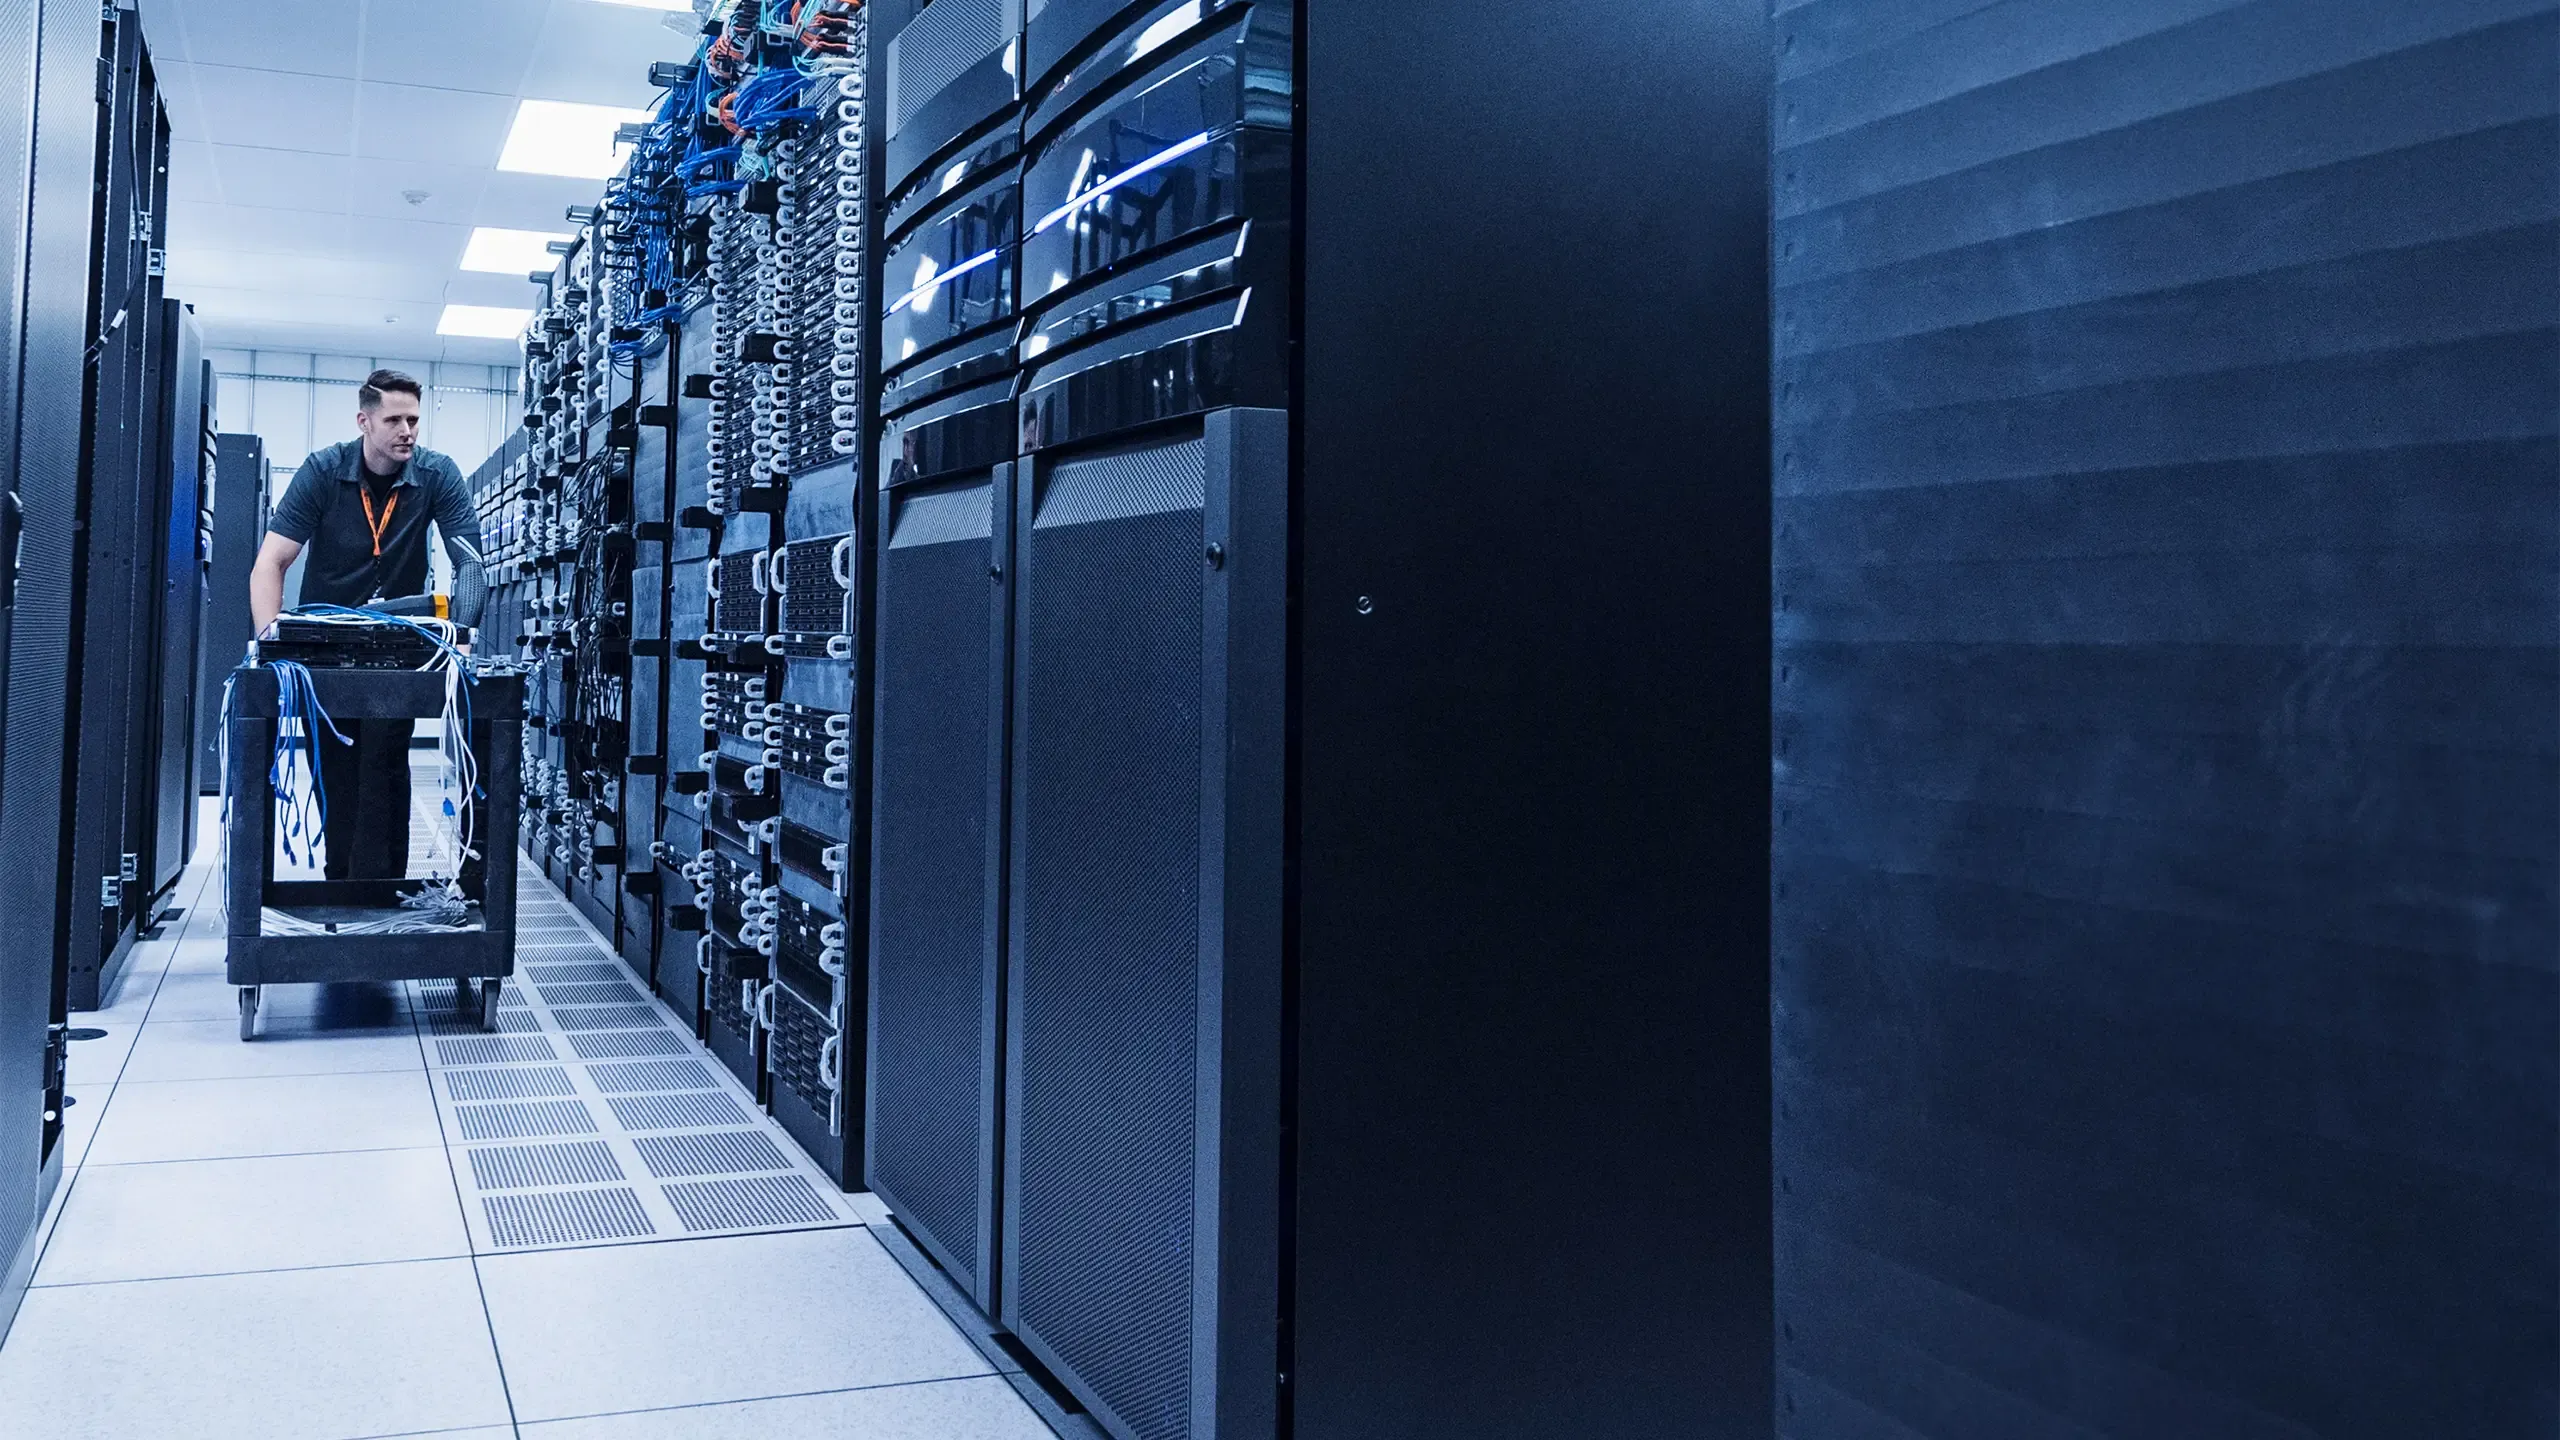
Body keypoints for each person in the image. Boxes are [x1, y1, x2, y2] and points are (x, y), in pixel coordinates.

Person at [249, 369, 487, 881]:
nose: (407, 431)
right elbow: (271, 562)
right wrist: (270, 648)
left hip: (398, 647)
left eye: (414, 421)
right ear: (364, 421)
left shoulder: (437, 474)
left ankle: (383, 891)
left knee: (385, 762)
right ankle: (341, 886)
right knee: (335, 766)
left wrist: (461, 639)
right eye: (394, 420)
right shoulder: (323, 471)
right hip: (326, 646)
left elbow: (470, 565)